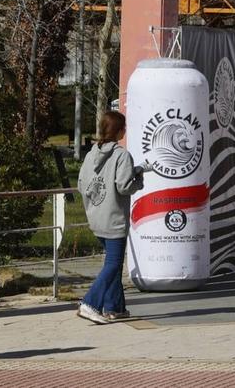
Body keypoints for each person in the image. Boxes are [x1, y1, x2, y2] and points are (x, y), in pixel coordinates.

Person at [77, 111, 144, 324]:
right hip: (114, 218)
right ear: (119, 130)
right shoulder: (122, 155)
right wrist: (138, 179)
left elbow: (81, 184)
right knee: (114, 264)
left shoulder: (90, 154)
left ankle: (115, 307)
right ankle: (89, 303)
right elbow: (124, 187)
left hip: (96, 217)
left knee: (111, 262)